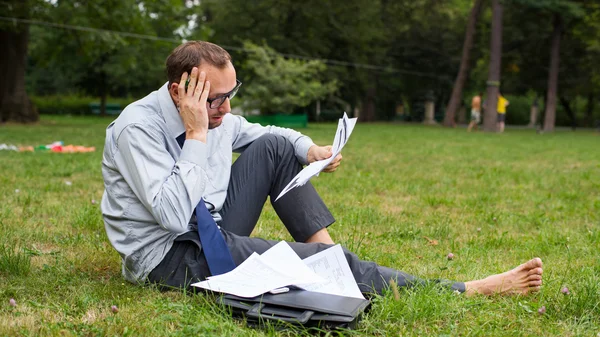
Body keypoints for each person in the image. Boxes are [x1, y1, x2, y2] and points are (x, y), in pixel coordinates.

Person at [101, 41, 543, 298]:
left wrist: (310, 149)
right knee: (304, 265)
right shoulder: (136, 129)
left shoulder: (215, 115)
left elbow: (263, 133)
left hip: (212, 227)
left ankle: (329, 259)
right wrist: (196, 135)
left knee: (275, 146)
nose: (226, 108)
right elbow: (174, 217)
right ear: (181, 92)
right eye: (215, 99)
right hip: (171, 254)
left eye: (232, 92)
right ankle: (464, 289)